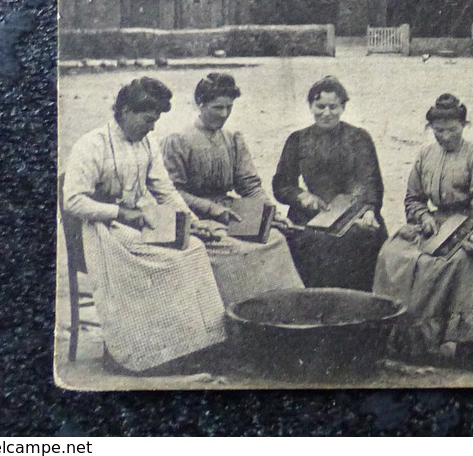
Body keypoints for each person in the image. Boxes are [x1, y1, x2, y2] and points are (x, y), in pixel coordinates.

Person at [61, 77, 227, 373]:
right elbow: (73, 201)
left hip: (135, 224)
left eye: (156, 122)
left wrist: (193, 223)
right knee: (167, 262)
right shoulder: (91, 145)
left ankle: (184, 344)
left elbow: (165, 190)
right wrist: (120, 213)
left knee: (194, 248)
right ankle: (133, 349)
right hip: (95, 231)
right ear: (125, 111)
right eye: (147, 120)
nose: (152, 128)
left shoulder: (147, 143)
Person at [372, 94, 473, 371]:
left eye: (452, 130)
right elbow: (413, 198)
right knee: (393, 253)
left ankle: (453, 342)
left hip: (471, 224)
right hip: (435, 223)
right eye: (438, 130)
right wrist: (422, 216)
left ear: (464, 126)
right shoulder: (425, 155)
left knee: (453, 263)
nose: (445, 136)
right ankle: (406, 341)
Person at [160, 73, 303, 308]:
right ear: (201, 104)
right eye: (217, 108)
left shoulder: (233, 138)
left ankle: (280, 309)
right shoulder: (178, 140)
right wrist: (210, 208)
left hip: (231, 213)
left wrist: (270, 213)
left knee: (274, 239)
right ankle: (238, 312)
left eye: (229, 107)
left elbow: (249, 184)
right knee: (236, 250)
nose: (224, 114)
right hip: (194, 217)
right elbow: (171, 192)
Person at [272, 76, 388, 291]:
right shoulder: (297, 139)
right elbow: (281, 184)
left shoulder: (359, 138)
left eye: (333, 107)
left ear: (343, 107)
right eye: (320, 106)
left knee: (360, 239)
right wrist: (303, 197)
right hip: (313, 213)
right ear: (310, 106)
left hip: (354, 212)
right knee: (307, 242)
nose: (326, 113)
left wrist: (369, 210)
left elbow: (371, 182)